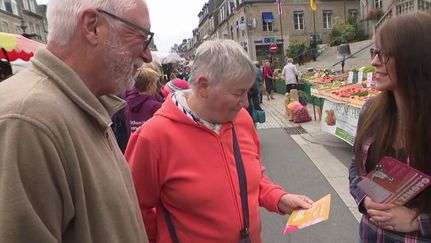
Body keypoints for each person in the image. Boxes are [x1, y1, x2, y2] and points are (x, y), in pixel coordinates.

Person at [126, 39, 313, 243]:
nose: (244, 103)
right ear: (204, 86)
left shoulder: (242, 120)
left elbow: (252, 179)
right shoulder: (153, 137)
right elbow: (135, 213)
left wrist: (279, 198)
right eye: (238, 93)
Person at [0, 0, 153, 242]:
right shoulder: (29, 120)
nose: (147, 55)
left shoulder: (82, 106)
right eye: (143, 38)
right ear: (92, 27)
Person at [349, 12, 431, 242]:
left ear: (415, 58)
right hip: (371, 235)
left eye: (384, 53)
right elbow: (355, 168)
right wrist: (364, 199)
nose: (374, 61)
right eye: (375, 52)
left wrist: (418, 220)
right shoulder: (370, 111)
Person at [125, 65, 163, 137]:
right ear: (150, 85)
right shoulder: (156, 106)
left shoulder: (128, 103)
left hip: (134, 142)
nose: (156, 86)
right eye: (155, 83)